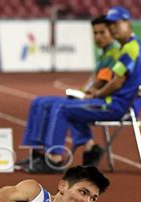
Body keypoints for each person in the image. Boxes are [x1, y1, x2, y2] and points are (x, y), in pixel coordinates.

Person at [22, 6, 141, 174]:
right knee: (62, 105)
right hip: (115, 103)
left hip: (117, 106)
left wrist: (96, 94)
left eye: (116, 24)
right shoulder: (128, 47)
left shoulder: (130, 48)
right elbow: (112, 79)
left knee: (61, 108)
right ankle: (85, 148)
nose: (113, 28)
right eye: (110, 25)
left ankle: (55, 159)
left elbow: (116, 82)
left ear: (127, 23)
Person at [17, 15, 120, 172]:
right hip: (92, 96)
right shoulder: (105, 53)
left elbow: (103, 81)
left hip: (103, 101)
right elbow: (95, 79)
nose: (97, 37)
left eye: (102, 33)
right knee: (39, 102)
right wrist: (82, 92)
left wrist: (85, 93)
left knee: (61, 107)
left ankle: (55, 157)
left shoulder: (115, 53)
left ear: (112, 32)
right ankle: (38, 153)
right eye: (95, 33)